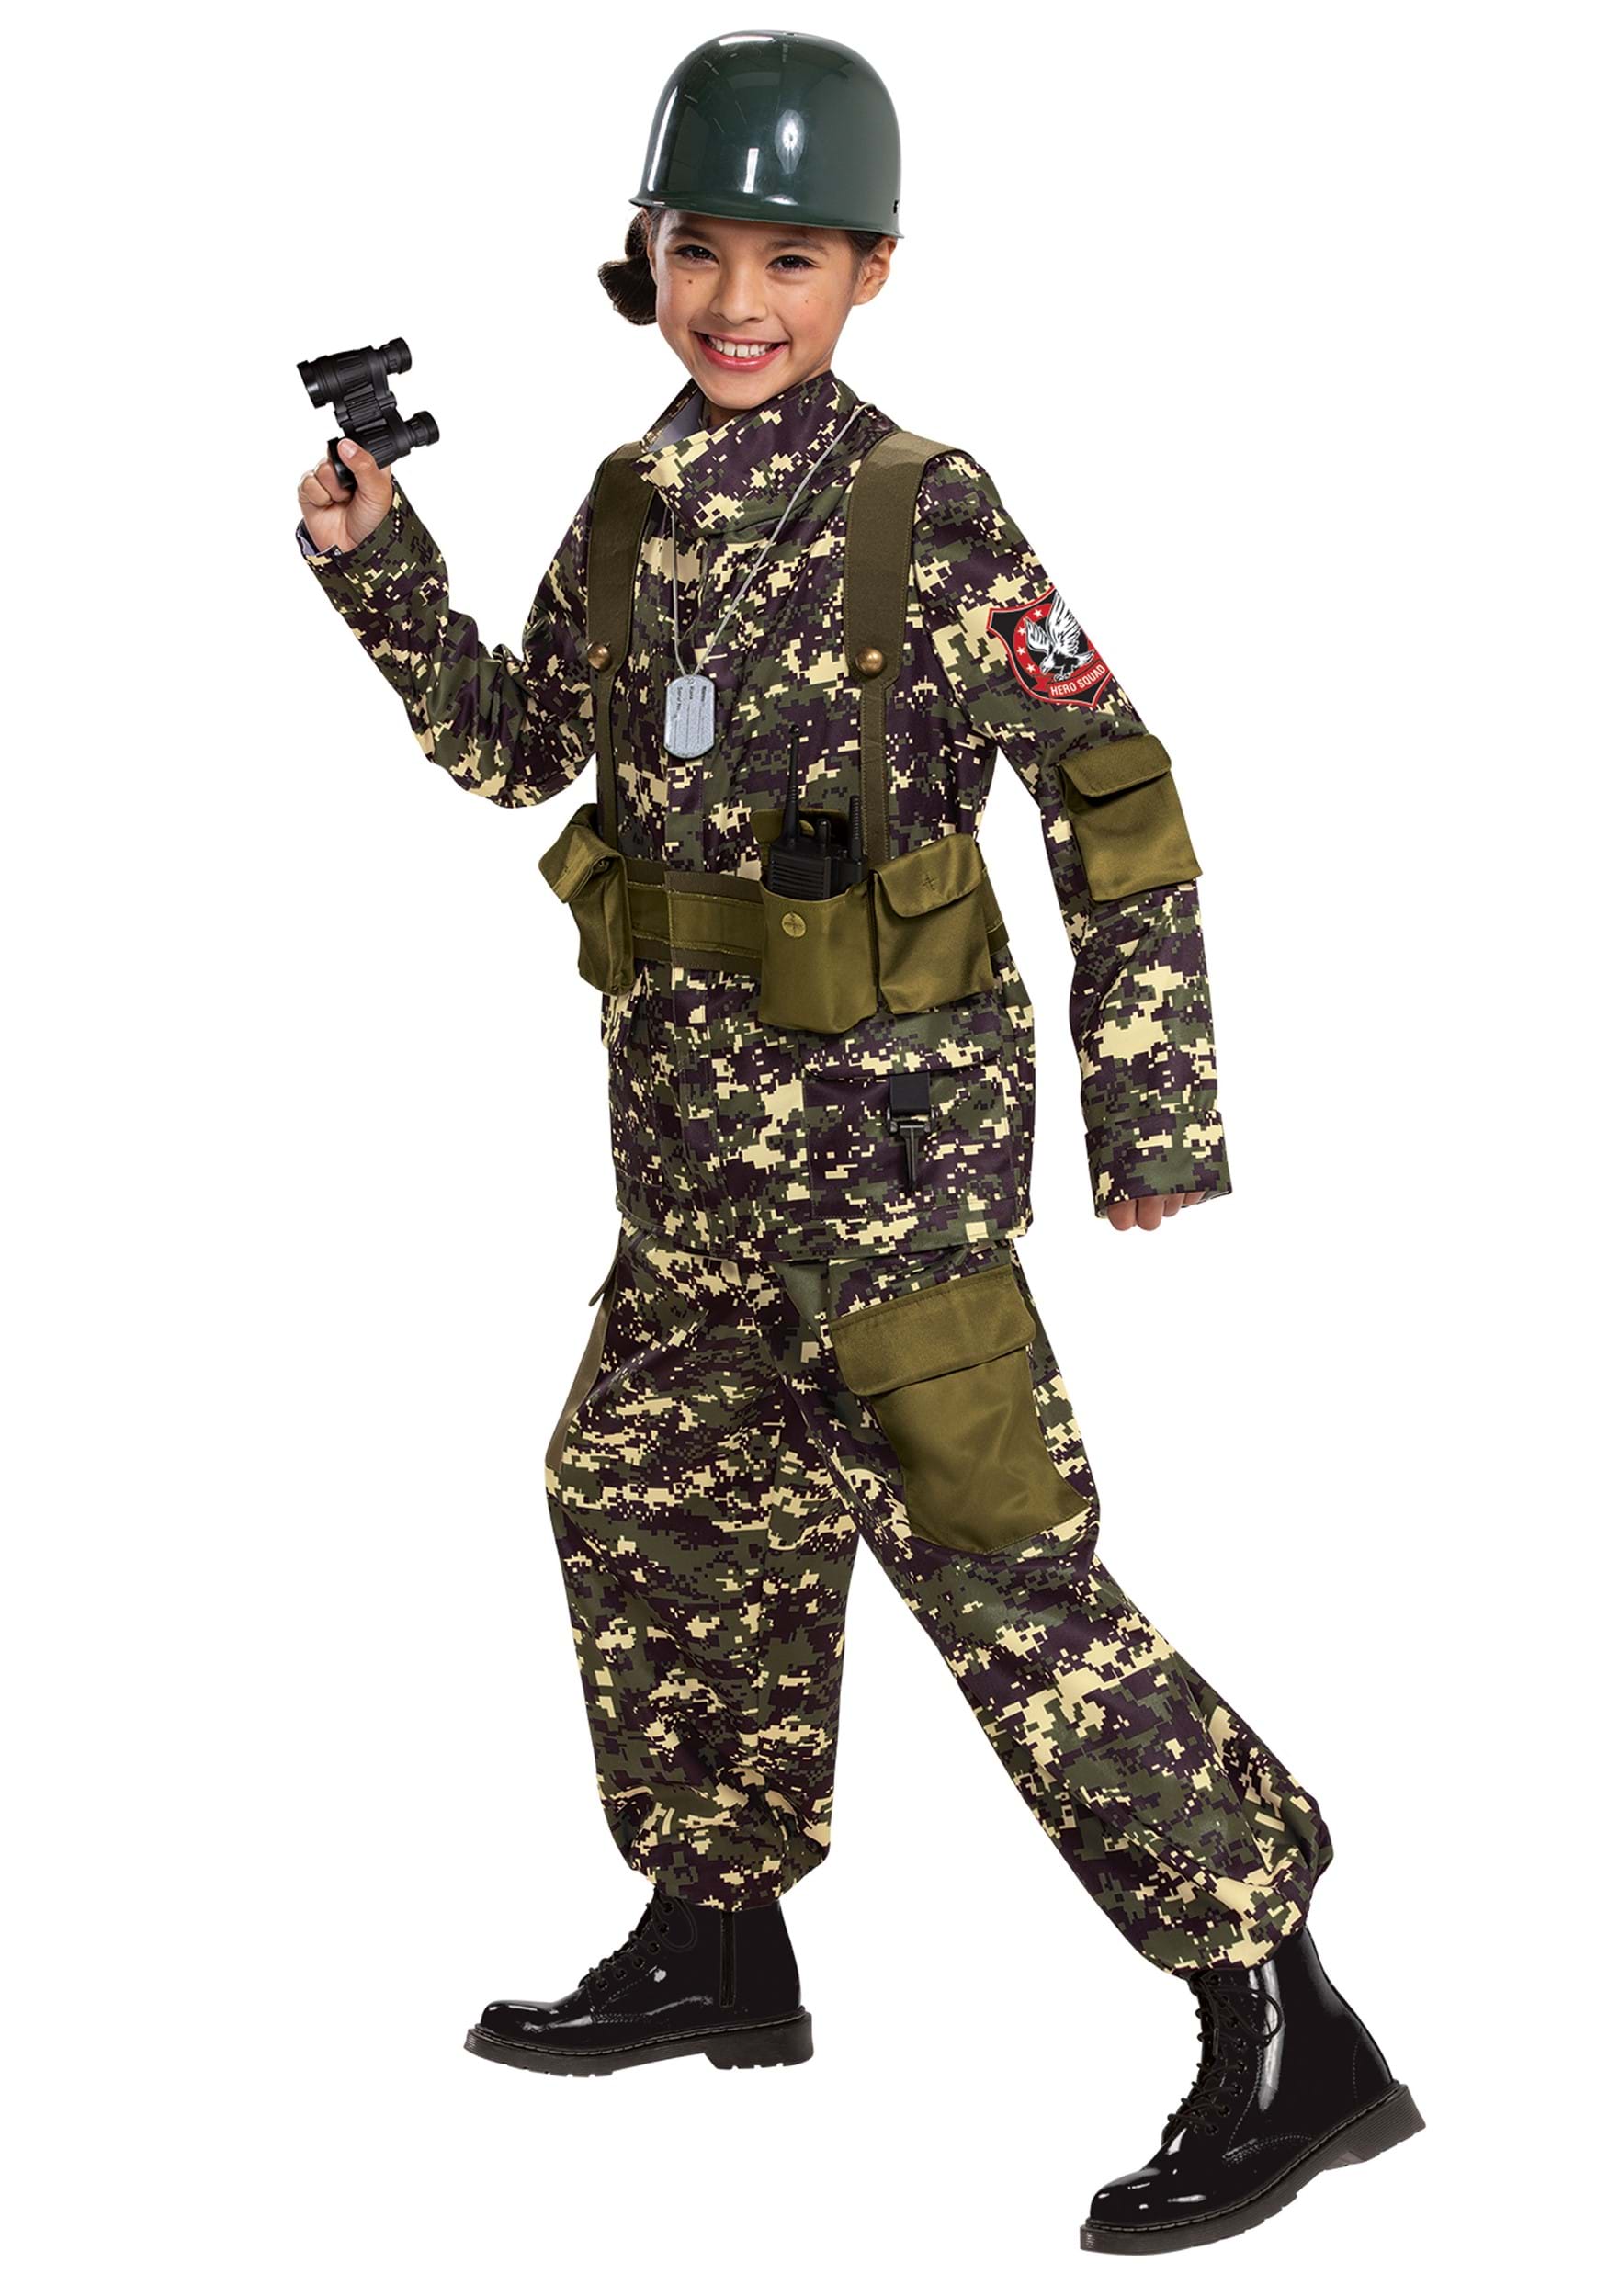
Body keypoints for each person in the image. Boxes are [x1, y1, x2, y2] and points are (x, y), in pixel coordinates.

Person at [293, 29, 1421, 2255]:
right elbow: (517, 746)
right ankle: (719, 1934)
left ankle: (1282, 2012)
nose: (737, 300)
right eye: (697, 250)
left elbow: (1111, 790)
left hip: (890, 1179)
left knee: (1000, 1575)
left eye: (788, 259)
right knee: (645, 1494)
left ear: (869, 270)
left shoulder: (922, 507)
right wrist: (378, 562)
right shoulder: (631, 499)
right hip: (687, 1169)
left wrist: (1151, 1100)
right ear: (641, 255)